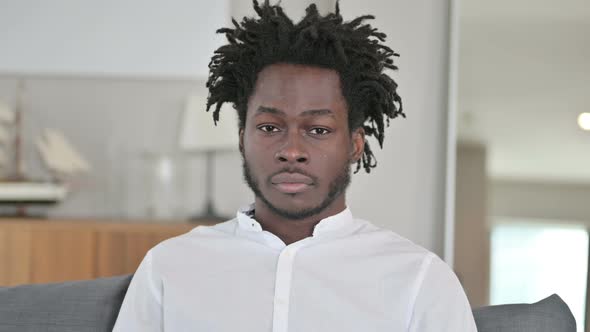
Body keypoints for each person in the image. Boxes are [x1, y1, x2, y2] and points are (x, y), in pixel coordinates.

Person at [113, 1, 477, 331]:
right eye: (270, 127)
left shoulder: (419, 279)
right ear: (242, 139)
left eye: (318, 130)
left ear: (354, 144)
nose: (291, 150)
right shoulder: (169, 266)